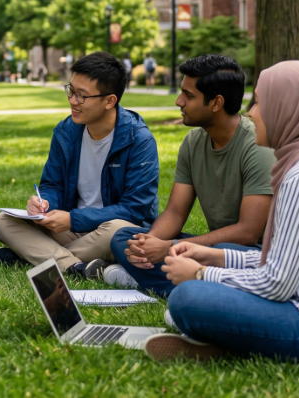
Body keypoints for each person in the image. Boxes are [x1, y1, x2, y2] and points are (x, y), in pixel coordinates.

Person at [144, 60, 299, 364]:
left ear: (287, 110)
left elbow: (277, 283)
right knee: (199, 288)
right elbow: (280, 260)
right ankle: (229, 340)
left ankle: (227, 338)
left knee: (187, 298)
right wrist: (215, 256)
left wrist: (201, 273)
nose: (251, 113)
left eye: (259, 102)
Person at [107, 55, 274, 296]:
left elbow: (247, 233)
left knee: (226, 248)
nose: (179, 101)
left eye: (189, 95)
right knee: (125, 236)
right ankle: (175, 280)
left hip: (254, 254)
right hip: (210, 249)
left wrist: (170, 248)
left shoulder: (257, 146)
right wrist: (149, 245)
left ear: (216, 103)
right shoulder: (193, 142)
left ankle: (162, 281)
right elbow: (175, 212)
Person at [0, 52, 160, 278]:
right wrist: (45, 203)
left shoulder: (138, 139)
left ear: (110, 101)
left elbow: (135, 208)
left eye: (81, 96)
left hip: (110, 231)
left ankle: (33, 257)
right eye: (71, 91)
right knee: (5, 221)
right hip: (69, 229)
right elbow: (53, 183)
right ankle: (74, 266)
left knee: (119, 230)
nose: (72, 100)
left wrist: (73, 219)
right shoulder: (66, 131)